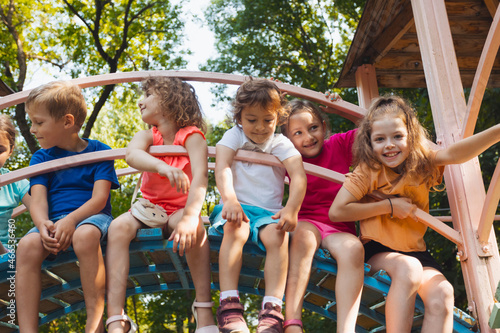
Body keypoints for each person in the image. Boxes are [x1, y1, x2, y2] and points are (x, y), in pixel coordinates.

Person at [330, 95, 500, 333]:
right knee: (408, 268)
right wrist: (389, 206)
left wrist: (497, 132)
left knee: (443, 293)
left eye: (397, 136)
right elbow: (337, 211)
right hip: (379, 249)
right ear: (369, 142)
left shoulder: (420, 163)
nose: (389, 144)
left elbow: (454, 155)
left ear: (411, 135)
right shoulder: (369, 170)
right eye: (380, 139)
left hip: (417, 251)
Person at [105, 77, 217, 333]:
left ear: (168, 99)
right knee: (118, 227)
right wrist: (162, 166)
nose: (140, 101)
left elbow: (200, 176)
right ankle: (115, 316)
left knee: (196, 228)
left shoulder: (192, 137)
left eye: (148, 95)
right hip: (149, 208)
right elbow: (131, 154)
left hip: (180, 209)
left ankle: (203, 306)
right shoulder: (147, 136)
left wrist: (190, 216)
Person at [15, 80, 120, 333]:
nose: (32, 129)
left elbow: (99, 200)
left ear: (67, 121)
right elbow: (37, 199)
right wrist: (42, 224)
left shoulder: (99, 152)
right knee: (26, 245)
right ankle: (28, 329)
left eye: (39, 122)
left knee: (84, 236)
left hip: (91, 218)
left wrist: (71, 220)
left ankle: (94, 323)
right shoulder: (41, 157)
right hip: (53, 220)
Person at [209, 78, 307, 333]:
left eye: (268, 120)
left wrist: (292, 209)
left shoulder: (280, 143)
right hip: (236, 206)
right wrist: (229, 199)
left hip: (266, 213)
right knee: (236, 227)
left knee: (279, 235)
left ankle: (272, 309)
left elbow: (298, 176)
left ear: (278, 118)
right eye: (252, 120)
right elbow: (222, 167)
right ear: (239, 117)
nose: (261, 127)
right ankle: (229, 304)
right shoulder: (234, 135)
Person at [280, 98, 364, 333]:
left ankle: (346, 329)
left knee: (354, 249)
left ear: (324, 126)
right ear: (288, 140)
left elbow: (375, 127)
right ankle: (293, 322)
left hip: (338, 226)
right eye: (298, 133)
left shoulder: (338, 144)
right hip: (306, 220)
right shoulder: (287, 158)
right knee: (304, 238)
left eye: (313, 127)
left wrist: (341, 108)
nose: (308, 137)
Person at [0, 115, 31, 254]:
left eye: (0, 150)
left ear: (10, 150)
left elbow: (40, 207)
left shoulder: (15, 182)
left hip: (4, 253)